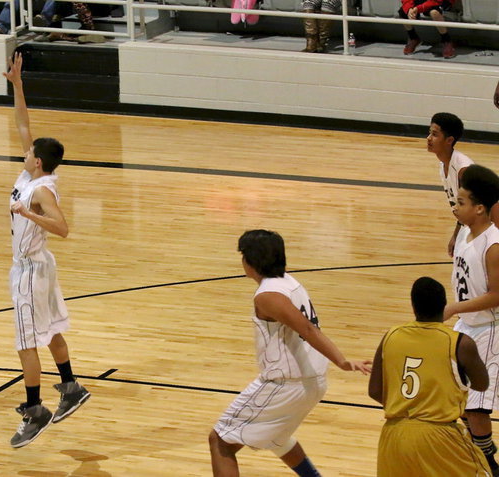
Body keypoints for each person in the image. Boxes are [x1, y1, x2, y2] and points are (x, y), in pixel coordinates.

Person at [209, 229, 371, 477]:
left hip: (285, 383)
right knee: (277, 438)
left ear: (250, 262)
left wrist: (343, 361)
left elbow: (306, 328)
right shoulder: (289, 282)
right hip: (311, 381)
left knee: (220, 440)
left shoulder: (268, 296)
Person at [2, 52, 91, 448]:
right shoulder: (33, 172)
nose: (23, 150)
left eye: (28, 151)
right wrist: (18, 85)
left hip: (30, 271)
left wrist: (28, 213)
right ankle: (70, 385)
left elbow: (64, 228)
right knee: (52, 327)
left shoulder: (39, 190)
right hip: (40, 266)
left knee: (25, 342)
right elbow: (24, 124)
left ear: (38, 162)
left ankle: (35, 410)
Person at [369, 276, 491, 477]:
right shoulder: (459, 342)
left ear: (413, 306)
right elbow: (482, 383)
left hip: (393, 435)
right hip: (438, 434)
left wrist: (408, 408)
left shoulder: (391, 335)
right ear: (444, 305)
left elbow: (374, 390)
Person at [444, 163, 499, 476]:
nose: (455, 206)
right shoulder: (466, 231)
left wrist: (453, 308)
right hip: (467, 325)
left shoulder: (493, 246)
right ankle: (481, 457)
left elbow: (497, 295)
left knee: (476, 405)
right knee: (460, 400)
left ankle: (489, 465)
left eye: (461, 202)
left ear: (480, 209)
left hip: (488, 329)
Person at [428, 113, 473, 257]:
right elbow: (462, 210)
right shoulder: (443, 165)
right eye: (429, 133)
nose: (428, 139)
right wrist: (456, 236)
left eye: (434, 134)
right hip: (469, 227)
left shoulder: (463, 170)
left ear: (449, 140)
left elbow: (479, 210)